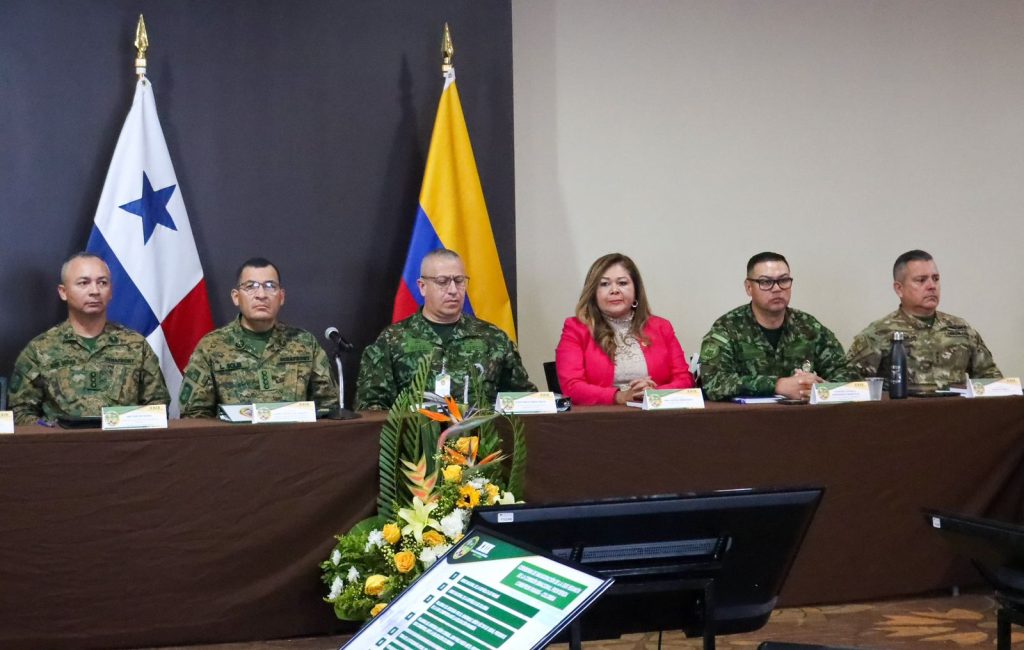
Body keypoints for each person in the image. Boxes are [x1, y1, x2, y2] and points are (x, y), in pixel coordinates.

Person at [355, 248, 536, 410]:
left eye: (459, 281)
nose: (453, 290)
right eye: (442, 281)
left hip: (481, 436)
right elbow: (371, 406)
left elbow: (525, 401)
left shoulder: (493, 338)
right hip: (415, 436)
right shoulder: (392, 340)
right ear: (422, 287)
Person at [9, 252, 169, 424]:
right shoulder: (40, 350)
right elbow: (20, 412)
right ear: (63, 292)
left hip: (123, 440)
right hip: (62, 440)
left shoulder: (136, 345)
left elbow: (157, 406)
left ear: (111, 291)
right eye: (83, 283)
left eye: (102, 283)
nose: (95, 291)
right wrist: (53, 432)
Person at [178, 257, 336, 418]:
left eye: (270, 286)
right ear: (236, 297)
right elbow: (194, 414)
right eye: (250, 286)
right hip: (234, 434)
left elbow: (328, 407)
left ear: (281, 296)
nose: (261, 295)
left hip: (294, 434)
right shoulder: (211, 347)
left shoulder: (304, 343)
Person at [699, 252, 855, 401]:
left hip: (804, 416)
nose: (777, 288)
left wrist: (816, 386)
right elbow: (712, 383)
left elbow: (847, 375)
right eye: (766, 282)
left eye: (784, 280)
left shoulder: (809, 327)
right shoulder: (727, 328)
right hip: (748, 417)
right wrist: (777, 385)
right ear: (749, 287)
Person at [847, 249, 1000, 388]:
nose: (932, 286)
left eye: (936, 278)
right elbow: (851, 387)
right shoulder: (877, 334)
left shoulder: (961, 328)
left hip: (954, 409)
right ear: (899, 289)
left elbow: (990, 378)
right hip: (903, 409)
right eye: (921, 280)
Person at [555, 253, 694, 405]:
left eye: (622, 283)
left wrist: (652, 394)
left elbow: (684, 379)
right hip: (603, 415)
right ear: (593, 293)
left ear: (636, 290)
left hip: (655, 412)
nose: (614, 290)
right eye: (604, 284)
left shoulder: (662, 327)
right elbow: (572, 387)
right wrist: (620, 396)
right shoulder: (576, 328)